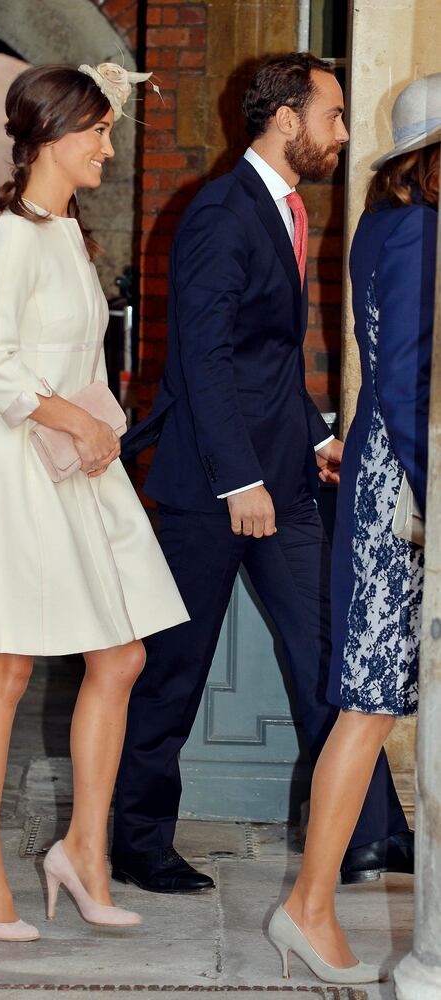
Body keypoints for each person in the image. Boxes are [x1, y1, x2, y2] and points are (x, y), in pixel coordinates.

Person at [111, 52, 413, 896]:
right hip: (212, 488)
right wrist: (237, 479)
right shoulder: (220, 212)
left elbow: (264, 360)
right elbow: (202, 360)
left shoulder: (281, 208)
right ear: (286, 119)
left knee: (329, 654)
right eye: (332, 115)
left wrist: (315, 436)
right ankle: (136, 842)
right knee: (173, 671)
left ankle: (369, 834)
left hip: (282, 477)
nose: (342, 133)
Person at [0, 63, 188, 942]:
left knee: (120, 656)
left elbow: (78, 360)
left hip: (78, 462)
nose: (108, 149)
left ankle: (83, 850)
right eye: (98, 131)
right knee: (5, 668)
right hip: (19, 465)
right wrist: (75, 423)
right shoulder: (12, 235)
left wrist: (96, 430)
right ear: (53, 134)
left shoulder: (66, 232)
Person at [270, 74, 439, 984]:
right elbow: (409, 380)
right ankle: (306, 906)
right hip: (403, 487)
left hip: (392, 468)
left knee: (370, 706)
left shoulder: (388, 221)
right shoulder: (415, 231)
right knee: (368, 706)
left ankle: (308, 904)